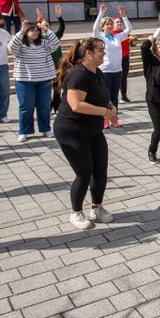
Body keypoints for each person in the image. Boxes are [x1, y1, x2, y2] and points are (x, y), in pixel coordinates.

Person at [54, 38, 117, 230]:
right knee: (84, 172)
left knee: (100, 169)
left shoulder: (97, 73)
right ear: (88, 53)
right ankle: (76, 212)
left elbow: (101, 97)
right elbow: (76, 105)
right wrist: (105, 113)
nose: (104, 53)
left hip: (92, 129)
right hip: (71, 131)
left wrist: (110, 106)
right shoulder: (77, 75)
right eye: (100, 50)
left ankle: (96, 208)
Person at [8, 20, 60, 142]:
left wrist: (46, 29)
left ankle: (46, 129)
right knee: (26, 107)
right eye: (32, 30)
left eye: (37, 30)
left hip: (44, 80)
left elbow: (56, 43)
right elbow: (10, 48)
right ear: (26, 32)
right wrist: (21, 30)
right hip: (24, 81)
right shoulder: (20, 44)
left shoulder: (44, 43)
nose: (36, 32)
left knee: (44, 106)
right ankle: (24, 131)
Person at [92, 5, 132, 126]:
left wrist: (124, 16)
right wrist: (100, 14)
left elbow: (129, 29)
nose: (109, 26)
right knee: (105, 96)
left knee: (114, 96)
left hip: (117, 70)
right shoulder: (100, 37)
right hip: (105, 71)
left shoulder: (117, 37)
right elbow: (94, 28)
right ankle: (105, 119)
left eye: (111, 24)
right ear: (103, 26)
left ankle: (114, 118)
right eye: (107, 24)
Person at [114, 15, 133, 104]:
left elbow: (132, 44)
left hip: (125, 57)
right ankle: (114, 95)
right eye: (117, 22)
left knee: (123, 77)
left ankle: (124, 95)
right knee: (115, 77)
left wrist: (133, 41)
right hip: (115, 58)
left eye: (120, 22)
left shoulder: (125, 33)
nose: (119, 23)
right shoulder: (111, 34)